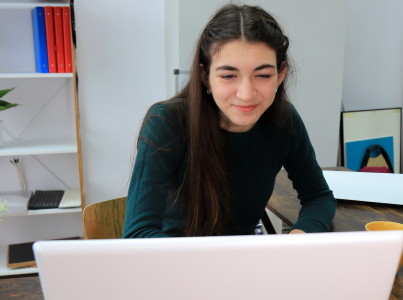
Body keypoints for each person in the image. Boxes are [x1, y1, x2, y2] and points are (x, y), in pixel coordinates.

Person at [123, 4, 336, 238]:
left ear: (280, 74)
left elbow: (319, 197)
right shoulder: (167, 122)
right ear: (205, 76)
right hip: (176, 262)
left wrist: (299, 238)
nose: (246, 93)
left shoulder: (285, 120)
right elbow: (138, 234)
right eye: (228, 76)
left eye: (263, 75)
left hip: (244, 259)